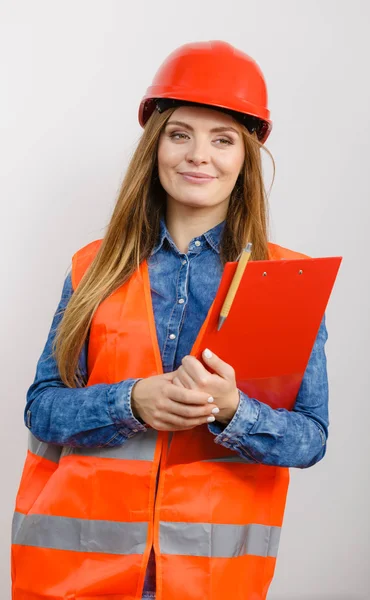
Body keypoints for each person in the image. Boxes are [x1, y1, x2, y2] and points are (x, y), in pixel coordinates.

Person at [11, 40, 329, 600]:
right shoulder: (95, 266)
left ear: (246, 157)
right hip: (79, 577)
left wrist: (235, 413)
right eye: (180, 133)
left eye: (222, 139)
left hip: (210, 583)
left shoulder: (282, 283)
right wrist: (130, 403)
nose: (198, 155)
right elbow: (41, 407)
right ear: (155, 146)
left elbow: (310, 438)